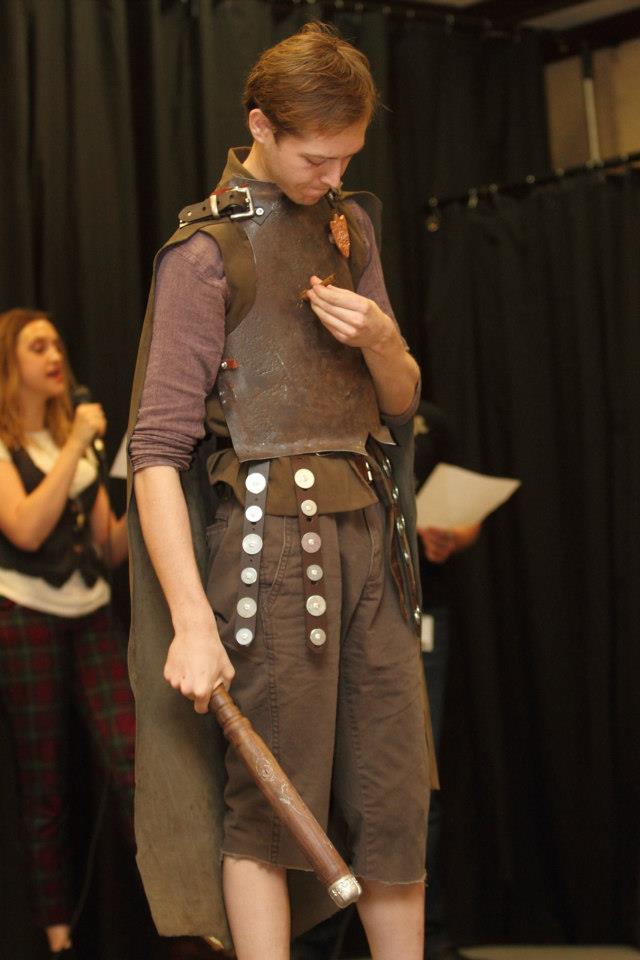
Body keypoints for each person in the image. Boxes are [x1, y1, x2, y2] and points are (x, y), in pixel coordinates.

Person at [127, 22, 437, 960]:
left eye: (349, 157)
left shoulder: (351, 226)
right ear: (261, 125)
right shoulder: (204, 253)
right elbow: (155, 450)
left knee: (394, 804)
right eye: (316, 158)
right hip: (269, 547)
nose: (332, 175)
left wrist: (381, 339)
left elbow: (400, 402)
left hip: (373, 543)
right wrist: (191, 620)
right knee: (268, 813)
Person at [0, 307, 132, 957]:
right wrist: (78, 443)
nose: (55, 355)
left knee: (132, 755)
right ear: (9, 363)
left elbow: (109, 548)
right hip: (25, 614)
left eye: (57, 343)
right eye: (38, 346)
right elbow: (24, 528)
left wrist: (150, 491)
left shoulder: (74, 439)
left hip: (92, 612)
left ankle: (181, 910)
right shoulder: (8, 445)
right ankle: (57, 934)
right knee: (44, 780)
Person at [414, 401, 480, 960]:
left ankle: (426, 934)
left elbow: (467, 515)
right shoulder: (330, 406)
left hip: (423, 613)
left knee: (421, 778)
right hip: (342, 613)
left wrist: (450, 537)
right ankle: (315, 933)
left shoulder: (435, 423)